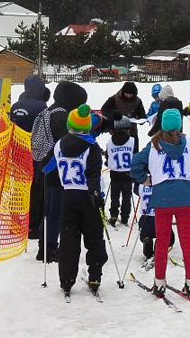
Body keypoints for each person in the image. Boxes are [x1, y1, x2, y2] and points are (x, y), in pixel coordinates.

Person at [130, 108, 190, 298]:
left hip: (162, 198)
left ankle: (159, 283)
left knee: (161, 242)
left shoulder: (153, 145)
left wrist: (145, 179)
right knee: (186, 241)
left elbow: (135, 164)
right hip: (185, 197)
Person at [53, 104, 108, 296]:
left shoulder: (59, 144)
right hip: (87, 196)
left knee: (69, 240)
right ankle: (95, 275)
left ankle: (66, 279)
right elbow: (93, 173)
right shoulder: (92, 147)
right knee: (94, 238)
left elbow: (51, 167)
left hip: (68, 195)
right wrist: (95, 193)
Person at [32, 81, 88, 262]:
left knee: (48, 210)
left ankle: (44, 246)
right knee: (55, 212)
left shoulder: (49, 111)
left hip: (44, 167)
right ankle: (49, 248)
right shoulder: (61, 116)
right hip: (56, 169)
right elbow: (67, 143)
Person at [9, 75, 48, 239]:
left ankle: (15, 220)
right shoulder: (41, 107)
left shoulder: (16, 106)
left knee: (18, 187)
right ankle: (32, 225)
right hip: (35, 155)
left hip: (17, 153)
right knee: (36, 188)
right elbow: (45, 132)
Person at [104, 119, 135, 227]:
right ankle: (125, 217)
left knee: (115, 196)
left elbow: (108, 157)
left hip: (115, 172)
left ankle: (113, 216)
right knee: (127, 196)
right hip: (127, 172)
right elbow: (135, 156)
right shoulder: (132, 140)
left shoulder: (109, 141)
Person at [136, 183, 175, 266]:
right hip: (161, 217)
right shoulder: (165, 184)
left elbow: (136, 191)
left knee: (145, 235)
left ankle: (147, 247)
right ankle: (159, 249)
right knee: (168, 237)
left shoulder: (142, 184)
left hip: (145, 217)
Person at [101, 81, 146, 150]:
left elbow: (142, 114)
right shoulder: (115, 98)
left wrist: (141, 119)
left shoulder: (138, 101)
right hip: (117, 131)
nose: (129, 96)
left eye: (131, 94)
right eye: (127, 93)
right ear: (123, 92)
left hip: (132, 131)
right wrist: (114, 114)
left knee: (134, 153)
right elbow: (104, 109)